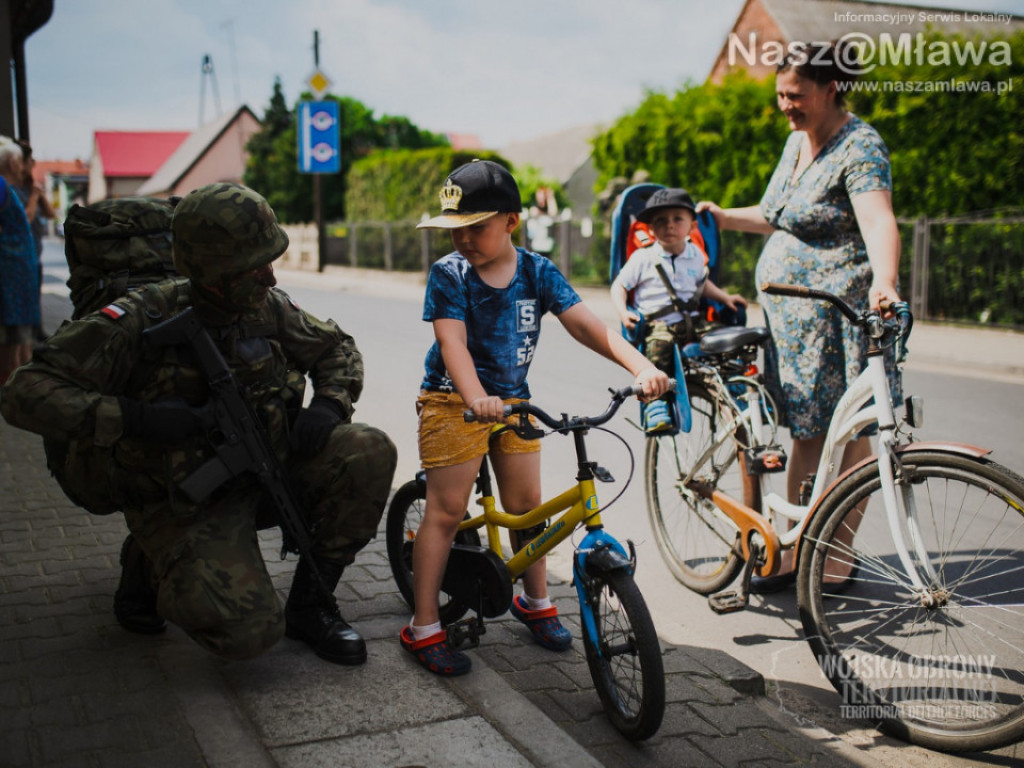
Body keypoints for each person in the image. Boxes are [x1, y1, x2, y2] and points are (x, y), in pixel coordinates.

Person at [0, 182, 397, 665]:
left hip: (264, 468)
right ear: (212, 273)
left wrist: (329, 405)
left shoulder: (265, 305)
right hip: (182, 496)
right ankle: (149, 560)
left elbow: (336, 348)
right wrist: (137, 418)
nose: (270, 277)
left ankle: (312, 606)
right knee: (248, 633)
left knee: (369, 450)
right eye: (255, 267)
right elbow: (25, 391)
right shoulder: (139, 318)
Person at [402, 160, 671, 676]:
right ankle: (424, 625)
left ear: (511, 221)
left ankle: (536, 601)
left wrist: (642, 367)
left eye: (475, 227)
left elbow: (587, 326)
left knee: (527, 506)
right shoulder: (449, 273)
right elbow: (452, 342)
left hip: (514, 402)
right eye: (455, 229)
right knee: (447, 510)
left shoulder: (536, 271)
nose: (463, 239)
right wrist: (476, 398)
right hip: (452, 400)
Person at [698, 41, 901, 591]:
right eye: (781, 95)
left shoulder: (860, 146)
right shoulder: (795, 142)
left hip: (837, 319)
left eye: (796, 95)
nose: (786, 105)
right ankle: (793, 551)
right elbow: (778, 215)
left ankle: (835, 555)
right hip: (793, 323)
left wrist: (884, 279)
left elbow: (878, 219)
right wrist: (722, 216)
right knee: (808, 434)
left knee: (848, 436)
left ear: (831, 89)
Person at [610, 187, 746, 432]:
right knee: (659, 347)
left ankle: (737, 386)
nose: (669, 225)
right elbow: (619, 285)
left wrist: (726, 298)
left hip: (693, 321)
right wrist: (623, 311)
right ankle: (656, 403)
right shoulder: (643, 258)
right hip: (658, 325)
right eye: (661, 221)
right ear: (651, 229)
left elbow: (703, 285)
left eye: (677, 219)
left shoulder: (695, 255)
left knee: (727, 339)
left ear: (692, 227)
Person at [0, 136, 40, 383]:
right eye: (19, 161)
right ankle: (12, 386)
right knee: (10, 338)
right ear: (11, 162)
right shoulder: (2, 186)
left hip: (18, 272)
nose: (23, 166)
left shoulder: (7, 186)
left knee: (19, 336)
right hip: (10, 273)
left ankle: (18, 381)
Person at [13, 140, 56, 341]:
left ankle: (36, 332)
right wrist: (33, 197)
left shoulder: (30, 187)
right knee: (23, 301)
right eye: (30, 160)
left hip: (34, 253)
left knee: (34, 296)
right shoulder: (12, 190)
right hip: (19, 255)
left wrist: (39, 194)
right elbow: (24, 220)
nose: (33, 163)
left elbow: (50, 214)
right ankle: (25, 338)